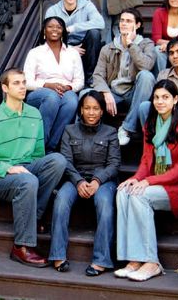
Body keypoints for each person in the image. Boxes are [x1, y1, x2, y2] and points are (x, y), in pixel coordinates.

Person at [0, 69, 67, 268]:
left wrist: (27, 169)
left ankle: (33, 217)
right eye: (16, 83)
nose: (22, 87)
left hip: (28, 170)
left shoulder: (34, 115)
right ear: (5, 88)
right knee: (28, 180)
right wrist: (9, 168)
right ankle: (21, 247)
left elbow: (38, 154)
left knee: (58, 161)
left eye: (24, 82)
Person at [114, 79, 178, 282]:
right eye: (156, 98)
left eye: (165, 97)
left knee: (139, 196)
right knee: (123, 192)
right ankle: (134, 259)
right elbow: (145, 161)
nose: (160, 102)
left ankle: (151, 262)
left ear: (175, 99)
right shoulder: (151, 123)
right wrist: (134, 179)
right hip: (157, 182)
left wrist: (148, 182)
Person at [48, 91, 119, 276]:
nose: (91, 112)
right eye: (87, 108)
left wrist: (97, 181)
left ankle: (101, 260)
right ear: (80, 110)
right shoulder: (69, 130)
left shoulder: (110, 132)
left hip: (103, 180)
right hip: (75, 176)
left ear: (102, 111)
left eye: (96, 108)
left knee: (104, 203)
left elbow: (114, 164)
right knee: (62, 199)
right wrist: (78, 181)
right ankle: (57, 255)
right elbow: (66, 160)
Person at [88, 7, 156, 146]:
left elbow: (146, 65)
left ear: (137, 25)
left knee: (146, 76)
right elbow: (98, 75)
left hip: (135, 93)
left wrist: (131, 44)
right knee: (85, 94)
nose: (124, 23)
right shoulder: (108, 48)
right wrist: (106, 93)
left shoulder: (146, 44)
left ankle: (126, 128)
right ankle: (85, 136)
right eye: (122, 20)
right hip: (114, 92)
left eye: (129, 21)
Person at [23, 16, 83, 153]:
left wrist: (68, 87)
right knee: (52, 97)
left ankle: (51, 147)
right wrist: (48, 85)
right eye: (50, 26)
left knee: (72, 101)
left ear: (63, 31)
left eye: (58, 27)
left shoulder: (73, 53)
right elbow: (27, 82)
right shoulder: (35, 53)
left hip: (65, 91)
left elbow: (79, 81)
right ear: (44, 30)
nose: (54, 29)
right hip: (39, 93)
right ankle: (39, 145)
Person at [127, 39, 178, 134]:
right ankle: (153, 142)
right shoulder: (163, 74)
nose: (175, 56)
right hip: (165, 116)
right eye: (171, 53)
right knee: (144, 107)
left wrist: (174, 106)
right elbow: (155, 98)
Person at [44, 0, 105, 81]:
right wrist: (69, 48)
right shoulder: (53, 10)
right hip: (63, 45)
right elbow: (46, 36)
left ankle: (91, 78)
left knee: (94, 33)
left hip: (85, 46)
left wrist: (72, 28)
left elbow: (100, 23)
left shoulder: (87, 5)